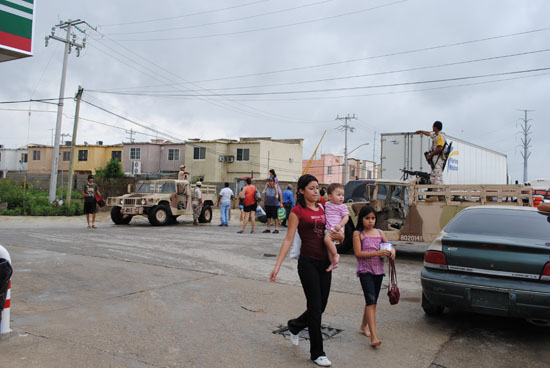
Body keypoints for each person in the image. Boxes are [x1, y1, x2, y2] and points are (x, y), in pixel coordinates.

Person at [270, 174, 344, 367]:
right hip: (307, 263)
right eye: (311, 188)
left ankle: (294, 325)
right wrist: (277, 265)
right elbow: (288, 239)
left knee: (321, 306)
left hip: (324, 262)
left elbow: (331, 233)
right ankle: (317, 352)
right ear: (302, 191)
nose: (316, 191)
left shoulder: (322, 207)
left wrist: (340, 238)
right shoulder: (297, 211)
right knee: (314, 307)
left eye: (317, 187)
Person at [353, 205, 396, 347]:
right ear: (362, 219)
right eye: (367, 218)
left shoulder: (379, 232)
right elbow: (358, 254)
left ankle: (363, 326)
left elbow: (389, 246)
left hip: (379, 272)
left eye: (373, 218)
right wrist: (377, 253)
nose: (370, 221)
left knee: (371, 301)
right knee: (372, 302)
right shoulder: (358, 234)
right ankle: (374, 337)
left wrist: (392, 252)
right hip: (365, 272)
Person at [323, 183, 349, 272]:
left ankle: (336, 255)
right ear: (330, 196)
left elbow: (346, 217)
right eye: (338, 195)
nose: (341, 197)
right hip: (330, 228)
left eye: (342, 195)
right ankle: (333, 263)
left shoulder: (342, 206)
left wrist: (340, 225)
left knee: (327, 240)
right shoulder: (327, 204)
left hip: (337, 228)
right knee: (329, 247)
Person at [416, 121, 447, 185]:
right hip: (435, 158)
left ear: (435, 127)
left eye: (433, 126)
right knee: (433, 176)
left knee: (437, 176)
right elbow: (429, 133)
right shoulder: (436, 135)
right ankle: (437, 191)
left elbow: (439, 148)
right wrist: (421, 131)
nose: (432, 127)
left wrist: (430, 155)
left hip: (438, 158)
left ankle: (438, 192)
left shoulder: (440, 136)